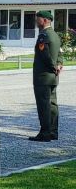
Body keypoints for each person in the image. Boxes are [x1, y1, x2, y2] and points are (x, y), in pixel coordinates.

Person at [30, 10, 62, 142]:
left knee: (44, 105)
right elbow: (60, 53)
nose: (36, 21)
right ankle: (53, 132)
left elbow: (45, 54)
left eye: (38, 19)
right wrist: (59, 64)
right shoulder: (55, 35)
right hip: (53, 77)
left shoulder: (44, 35)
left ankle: (45, 133)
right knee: (52, 104)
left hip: (43, 77)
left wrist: (53, 66)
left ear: (44, 20)